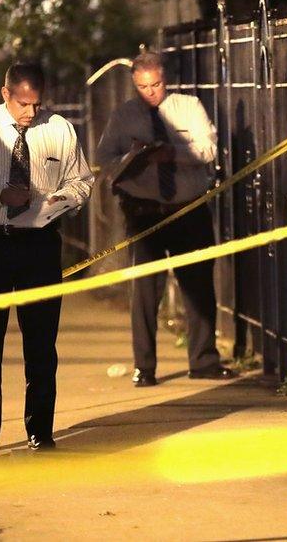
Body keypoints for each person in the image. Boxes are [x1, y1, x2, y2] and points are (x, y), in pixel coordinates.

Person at [0, 62, 95, 455]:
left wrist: (64, 200)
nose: (30, 112)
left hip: (39, 246)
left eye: (36, 104)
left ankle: (40, 429)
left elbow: (82, 179)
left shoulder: (59, 129)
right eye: (22, 103)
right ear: (5, 94)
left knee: (42, 342)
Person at [98, 51, 235, 387]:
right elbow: (104, 158)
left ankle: (203, 359)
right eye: (143, 86)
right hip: (145, 213)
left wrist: (174, 152)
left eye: (156, 84)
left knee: (199, 287)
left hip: (188, 209)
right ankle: (144, 366)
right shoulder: (124, 116)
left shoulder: (188, 107)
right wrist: (132, 159)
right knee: (145, 293)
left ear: (165, 80)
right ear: (134, 84)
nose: (150, 92)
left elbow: (208, 149)